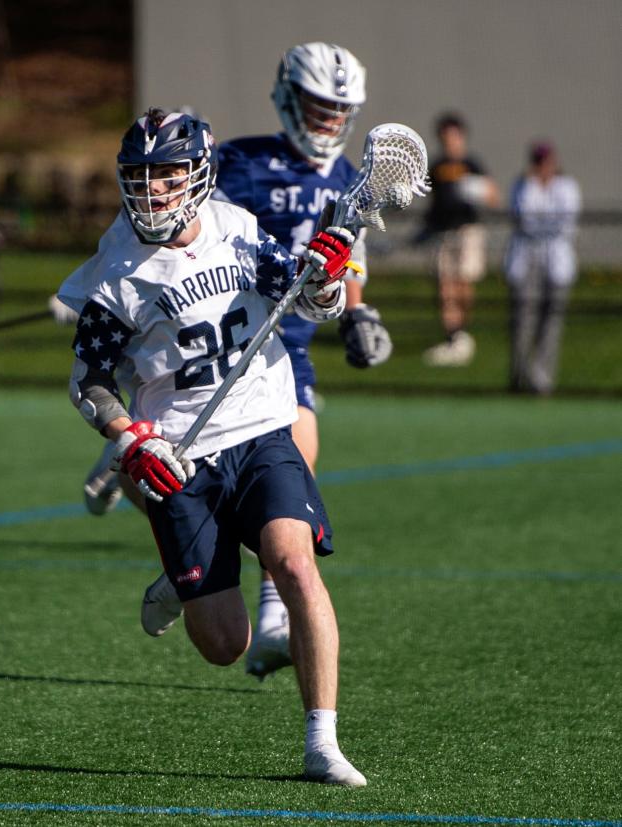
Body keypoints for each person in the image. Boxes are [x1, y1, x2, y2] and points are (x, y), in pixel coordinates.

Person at [58, 107, 367, 786]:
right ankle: (180, 573)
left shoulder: (237, 227)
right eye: (142, 177)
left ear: (198, 174)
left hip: (260, 427)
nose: (156, 190)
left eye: (169, 174)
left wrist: (325, 278)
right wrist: (128, 437)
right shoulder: (117, 274)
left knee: (293, 562)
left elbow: (303, 301)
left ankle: (322, 740)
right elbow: (89, 382)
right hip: (181, 457)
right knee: (226, 645)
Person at [80, 44, 389, 685]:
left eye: (340, 110)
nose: (329, 120)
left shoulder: (344, 173)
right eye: (317, 106)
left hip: (285, 336)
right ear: (287, 97)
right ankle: (194, 562)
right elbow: (171, 234)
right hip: (203, 339)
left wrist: (356, 308)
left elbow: (345, 249)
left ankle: (276, 612)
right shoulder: (242, 165)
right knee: (185, 469)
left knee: (293, 466)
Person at [421, 112, 499, 367]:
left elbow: (492, 196)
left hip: (467, 231)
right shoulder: (438, 166)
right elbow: (431, 203)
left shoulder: (471, 164)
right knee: (445, 286)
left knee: (463, 283)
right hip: (443, 232)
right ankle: (452, 336)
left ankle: (463, 332)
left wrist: (475, 189)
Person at [504, 141, 581, 395]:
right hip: (526, 260)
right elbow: (524, 218)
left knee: (551, 322)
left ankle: (542, 379)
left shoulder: (567, 187)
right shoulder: (523, 185)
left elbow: (564, 222)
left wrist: (542, 224)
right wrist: (532, 184)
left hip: (556, 261)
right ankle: (518, 376)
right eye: (538, 161)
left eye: (546, 161)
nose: (542, 166)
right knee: (522, 321)